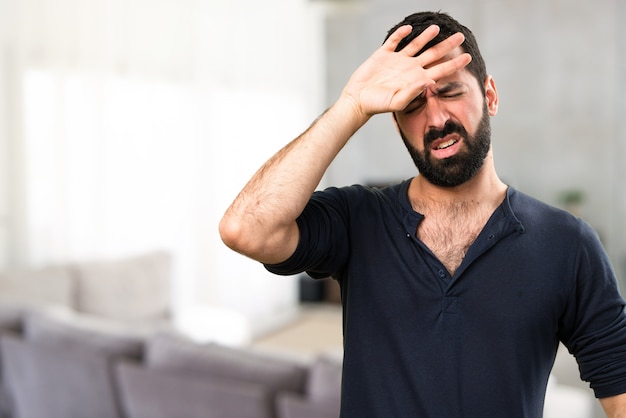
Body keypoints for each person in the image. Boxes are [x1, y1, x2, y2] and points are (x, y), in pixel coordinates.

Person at [219, 11, 626, 417]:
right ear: (396, 125)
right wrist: (351, 105)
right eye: (413, 104)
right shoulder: (358, 219)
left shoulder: (566, 242)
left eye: (450, 92)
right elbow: (245, 229)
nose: (436, 119)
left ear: (490, 96)